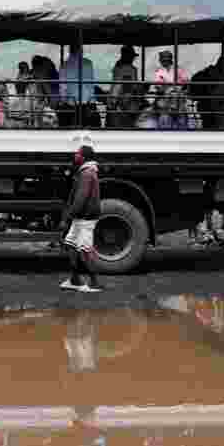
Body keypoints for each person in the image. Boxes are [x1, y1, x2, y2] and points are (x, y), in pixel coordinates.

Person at [60, 145, 103, 292]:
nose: (75, 155)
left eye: (77, 153)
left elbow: (80, 199)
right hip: (80, 217)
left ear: (83, 157)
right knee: (71, 245)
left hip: (85, 218)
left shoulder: (86, 174)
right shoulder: (85, 172)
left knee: (84, 250)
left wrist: (67, 218)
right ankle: (75, 280)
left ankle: (94, 283)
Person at [59, 43, 99, 128]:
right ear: (81, 50)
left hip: (72, 104)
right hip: (89, 103)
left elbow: (63, 88)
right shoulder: (89, 63)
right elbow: (91, 84)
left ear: (70, 51)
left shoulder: (64, 65)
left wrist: (62, 101)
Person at [107, 45, 142, 128]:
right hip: (123, 105)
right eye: (132, 57)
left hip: (113, 102)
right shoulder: (129, 69)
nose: (133, 59)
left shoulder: (117, 66)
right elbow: (127, 87)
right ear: (129, 57)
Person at [153, 50, 190, 130]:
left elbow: (186, 83)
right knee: (165, 123)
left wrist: (176, 88)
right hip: (165, 103)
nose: (163, 62)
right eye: (162, 60)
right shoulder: (159, 71)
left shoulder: (179, 70)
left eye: (165, 60)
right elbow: (159, 86)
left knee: (181, 124)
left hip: (178, 102)